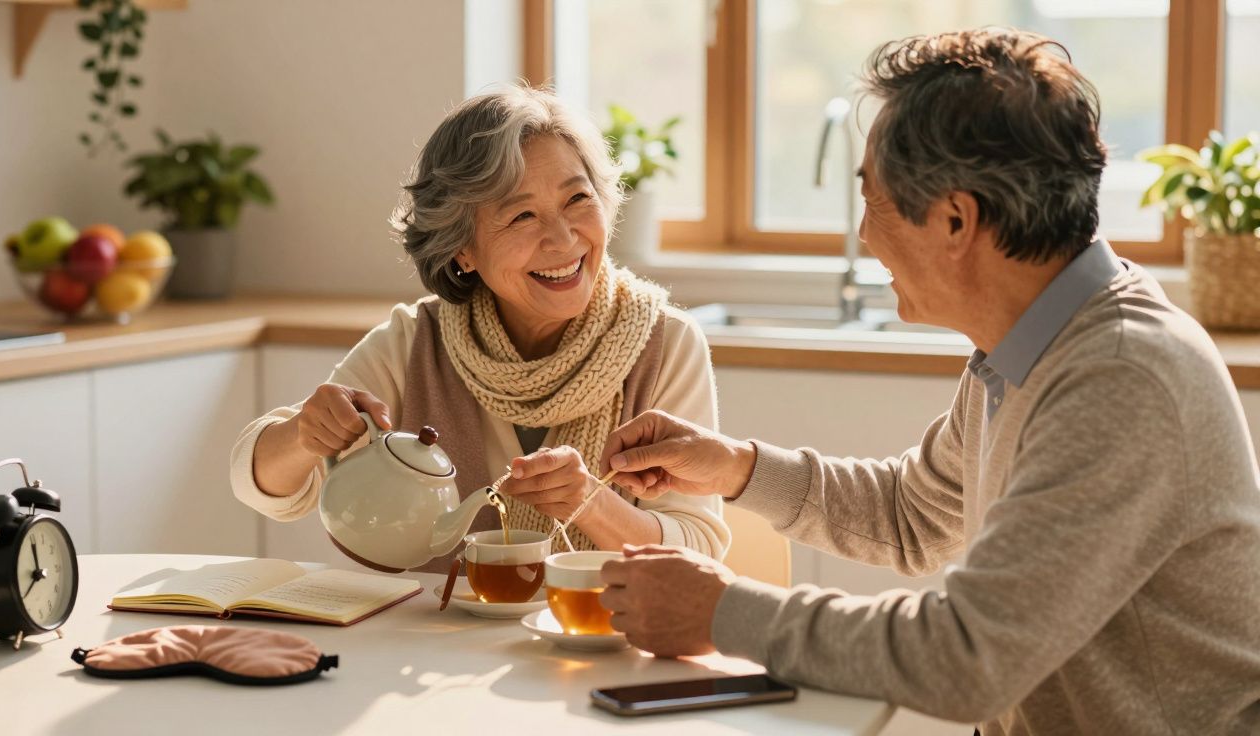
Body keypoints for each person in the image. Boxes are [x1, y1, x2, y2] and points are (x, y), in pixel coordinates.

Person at [595, 29, 1260, 734]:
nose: (865, 234)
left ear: (954, 219)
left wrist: (720, 612)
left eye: (873, 200)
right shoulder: (1030, 347)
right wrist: (732, 468)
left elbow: (967, 657)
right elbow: (915, 517)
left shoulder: (1121, 379)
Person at [230, 86, 729, 572]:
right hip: (438, 647)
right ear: (462, 249)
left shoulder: (665, 343)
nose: (562, 238)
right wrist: (303, 433)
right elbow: (264, 488)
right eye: (522, 216)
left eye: (578, 198)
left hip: (598, 642)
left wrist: (592, 506)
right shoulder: (416, 342)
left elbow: (698, 553)